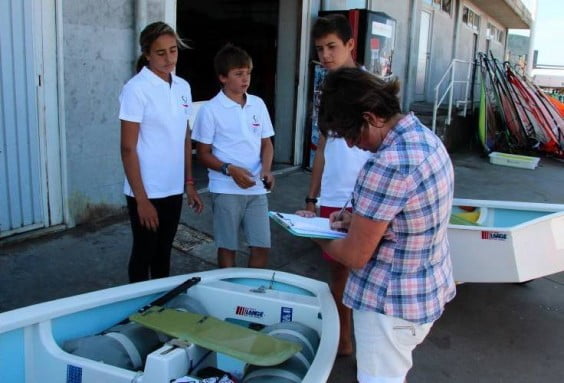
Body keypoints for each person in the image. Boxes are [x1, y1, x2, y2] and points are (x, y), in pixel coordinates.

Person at [314, 67, 456, 383]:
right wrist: (357, 218)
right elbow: (408, 212)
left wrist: (317, 236)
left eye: (352, 133)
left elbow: (353, 256)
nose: (352, 144)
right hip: (425, 289)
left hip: (388, 308)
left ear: (371, 116)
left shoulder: (386, 165)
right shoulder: (423, 138)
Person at [297, 14, 372, 356]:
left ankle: (373, 345)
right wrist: (312, 198)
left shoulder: (372, 89)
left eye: (332, 47)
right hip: (331, 198)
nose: (325, 55)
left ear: (350, 45)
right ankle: (343, 339)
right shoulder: (325, 89)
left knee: (369, 273)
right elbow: (323, 147)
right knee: (338, 271)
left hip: (368, 198)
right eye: (319, 49)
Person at [119, 21, 203, 283]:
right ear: (147, 54)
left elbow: (184, 137)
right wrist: (142, 200)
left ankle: (159, 309)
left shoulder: (182, 87)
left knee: (163, 253)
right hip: (146, 190)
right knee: (144, 253)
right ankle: (136, 309)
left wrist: (189, 183)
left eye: (173, 50)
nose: (169, 58)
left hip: (172, 188)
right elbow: (127, 148)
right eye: (160, 52)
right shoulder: (136, 89)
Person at [192, 43, 274, 268]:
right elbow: (203, 154)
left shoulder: (258, 104)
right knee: (227, 246)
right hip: (225, 188)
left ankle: (251, 296)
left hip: (257, 188)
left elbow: (266, 143)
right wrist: (229, 169)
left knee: (261, 245)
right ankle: (229, 294)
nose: (245, 79)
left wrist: (266, 169)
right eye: (238, 74)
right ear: (223, 77)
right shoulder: (210, 110)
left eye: (247, 73)